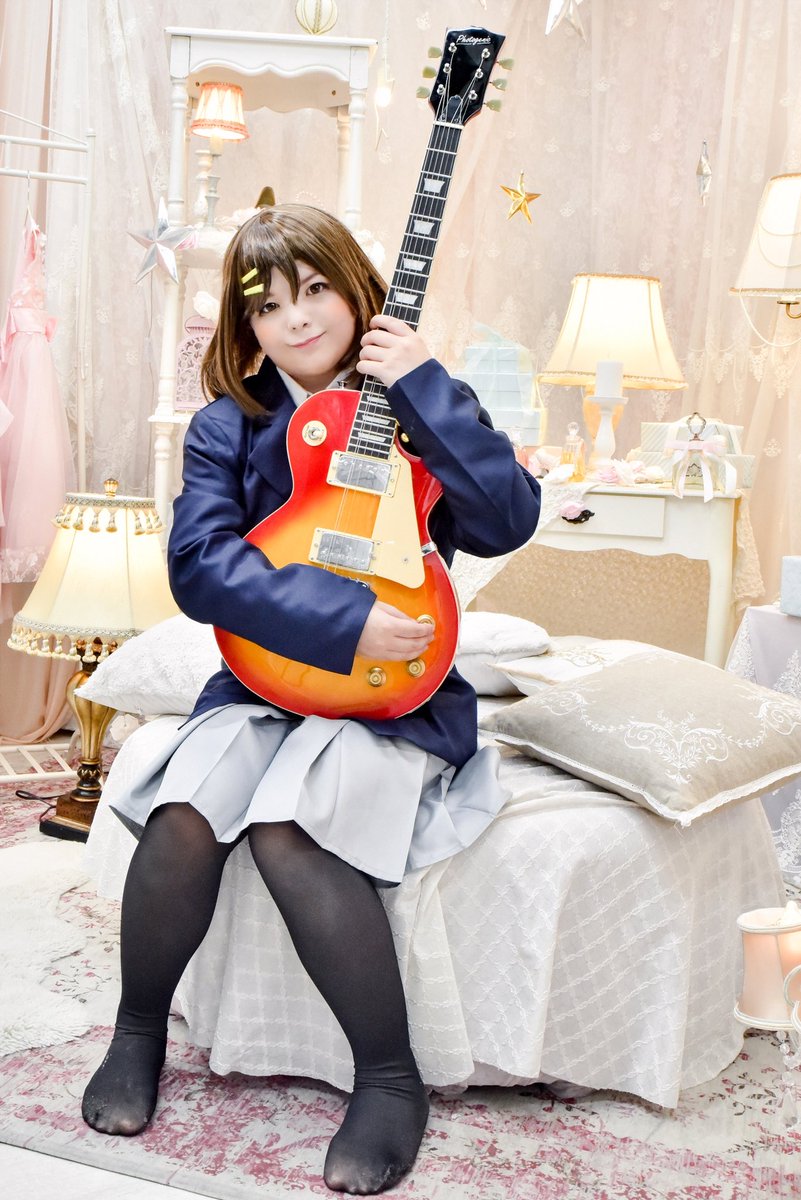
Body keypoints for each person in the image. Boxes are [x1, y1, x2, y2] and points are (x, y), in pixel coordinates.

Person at [81, 204, 541, 1195]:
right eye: (268, 306)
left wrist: (422, 385)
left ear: (357, 288)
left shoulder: (427, 398)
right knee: (185, 812)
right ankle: (137, 1029)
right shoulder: (228, 424)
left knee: (290, 833)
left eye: (316, 290)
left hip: (392, 693)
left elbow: (506, 520)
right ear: (245, 326)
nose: (295, 318)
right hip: (265, 677)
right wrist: (341, 620)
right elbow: (201, 568)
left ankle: (389, 1077)